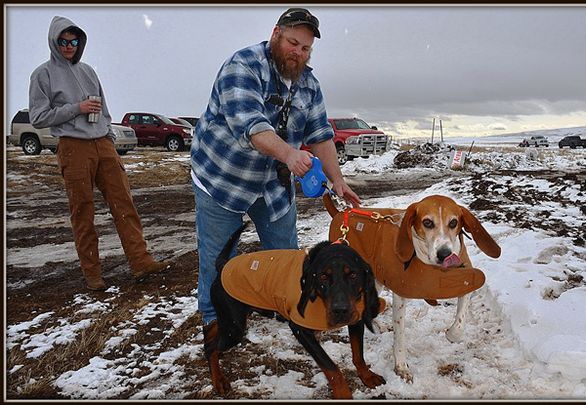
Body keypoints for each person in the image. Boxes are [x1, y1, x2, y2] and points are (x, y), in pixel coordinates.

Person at [190, 8, 361, 337]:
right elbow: (252, 127)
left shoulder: (309, 84)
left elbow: (321, 134)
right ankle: (214, 320)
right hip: (222, 179)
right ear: (276, 34)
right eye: (293, 43)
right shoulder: (242, 67)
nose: (298, 52)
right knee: (218, 254)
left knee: (284, 253)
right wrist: (289, 154)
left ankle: (280, 305)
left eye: (306, 48)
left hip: (272, 185)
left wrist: (337, 179)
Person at [29, 16, 170, 291]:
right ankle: (92, 274)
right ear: (54, 41)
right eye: (64, 41)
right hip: (72, 147)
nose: (69, 46)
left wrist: (107, 135)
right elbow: (38, 117)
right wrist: (75, 109)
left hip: (103, 145)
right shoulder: (42, 74)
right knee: (83, 211)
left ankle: (140, 261)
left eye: (74, 41)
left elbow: (103, 109)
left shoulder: (88, 71)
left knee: (124, 203)